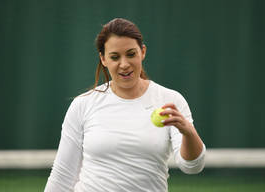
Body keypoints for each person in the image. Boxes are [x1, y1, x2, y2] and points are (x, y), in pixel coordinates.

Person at [44, 18, 206, 192]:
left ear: (142, 52)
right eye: (115, 57)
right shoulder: (83, 104)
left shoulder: (170, 100)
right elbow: (63, 175)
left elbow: (192, 167)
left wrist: (188, 132)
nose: (124, 64)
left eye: (131, 54)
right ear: (103, 59)